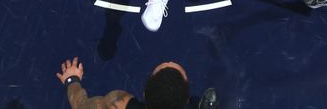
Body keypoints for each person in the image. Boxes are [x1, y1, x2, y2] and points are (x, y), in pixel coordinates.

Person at [56, 57, 219, 109]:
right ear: (187, 100)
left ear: (144, 94)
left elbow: (80, 104)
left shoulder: (118, 103)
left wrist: (72, 80)